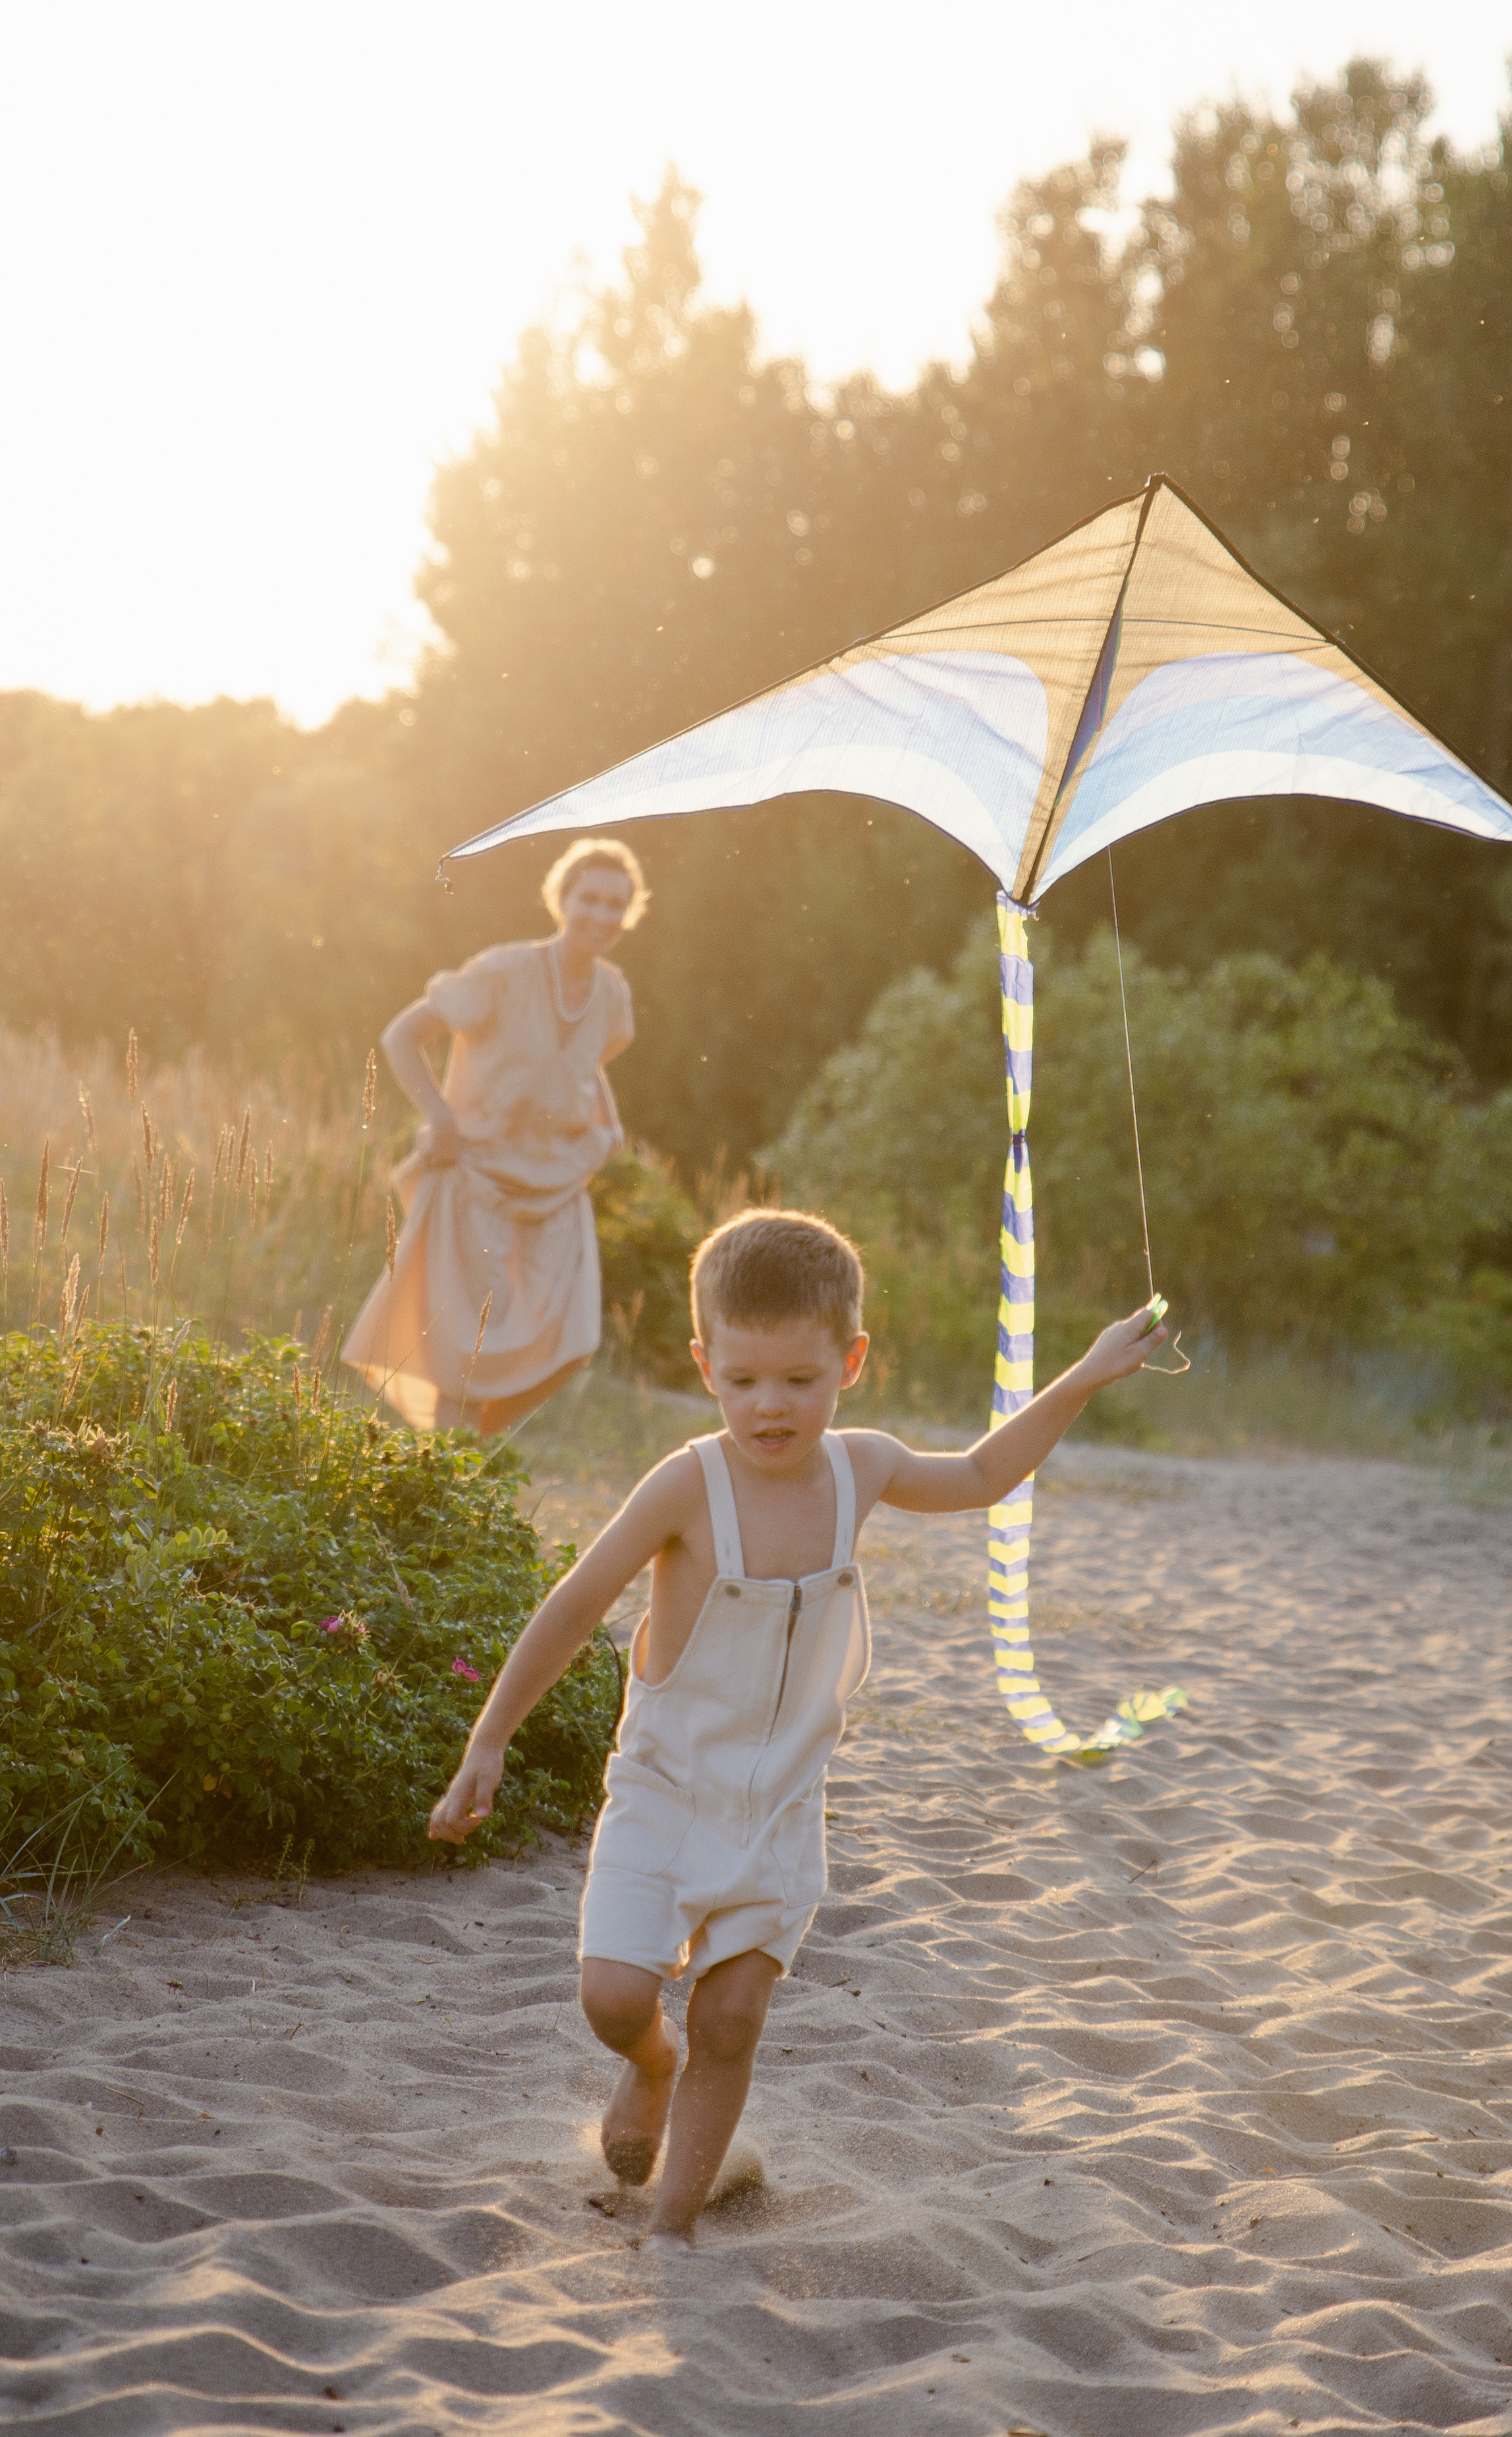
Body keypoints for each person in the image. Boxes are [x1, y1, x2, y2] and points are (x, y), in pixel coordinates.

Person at [428, 1207, 1170, 2245]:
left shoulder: (860, 1468)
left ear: (850, 1360)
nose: (769, 1406)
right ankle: (651, 2063)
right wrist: (490, 1737)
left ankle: (673, 2227)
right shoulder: (688, 1483)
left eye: (798, 1380)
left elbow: (984, 1474)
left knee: (731, 2017)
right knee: (611, 1995)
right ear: (703, 1363)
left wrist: (1086, 1372)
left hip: (779, 1803)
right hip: (665, 1788)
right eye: (741, 1380)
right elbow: (575, 1602)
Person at [341, 839, 646, 1435]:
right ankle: (449, 1486)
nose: (602, 916)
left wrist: (609, 1130)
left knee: (573, 1339)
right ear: (561, 897)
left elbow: (584, 1064)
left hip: (557, 1186)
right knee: (463, 1353)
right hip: (474, 1178)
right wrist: (442, 1119)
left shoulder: (613, 992)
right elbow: (402, 1036)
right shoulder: (502, 971)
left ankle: (465, 1454)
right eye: (590, 899)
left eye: (616, 904)